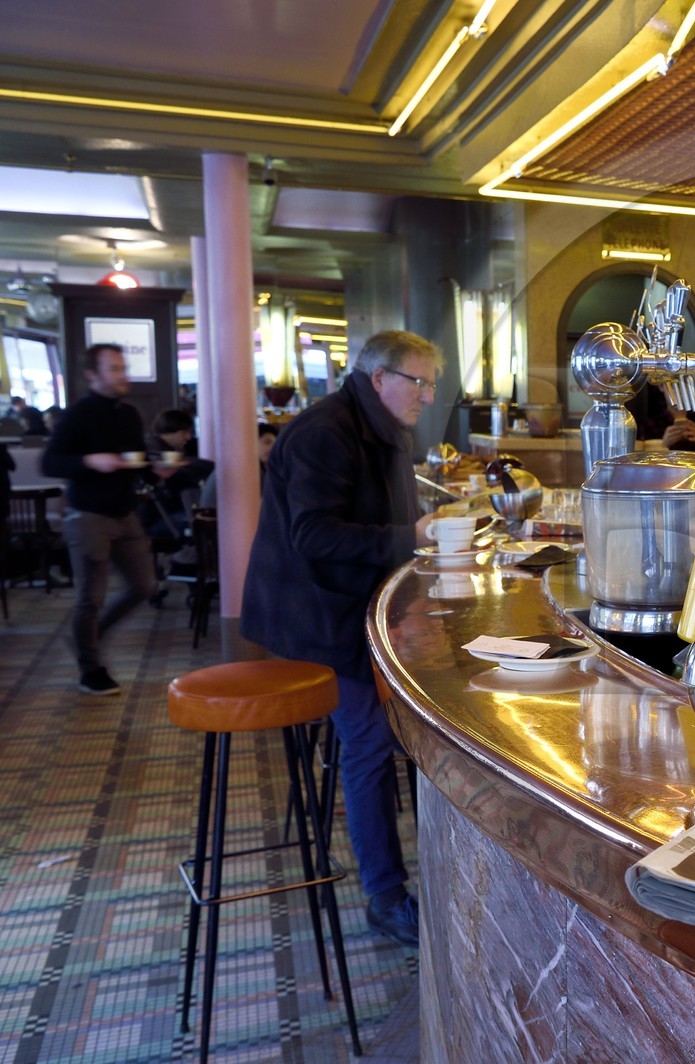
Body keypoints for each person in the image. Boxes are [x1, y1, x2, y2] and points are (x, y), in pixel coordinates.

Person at [241, 330, 445, 948]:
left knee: (418, 717)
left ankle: (441, 868)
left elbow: (389, 518)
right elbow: (314, 535)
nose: (427, 396)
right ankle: (384, 896)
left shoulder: (380, 425)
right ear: (379, 377)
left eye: (432, 385)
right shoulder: (324, 432)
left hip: (357, 605)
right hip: (314, 614)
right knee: (370, 739)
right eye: (419, 382)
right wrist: (414, 537)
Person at [41, 344, 168, 696]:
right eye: (113, 369)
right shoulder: (78, 415)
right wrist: (89, 461)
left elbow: (135, 461)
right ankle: (91, 668)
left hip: (125, 513)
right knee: (90, 599)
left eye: (122, 367)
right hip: (88, 516)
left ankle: (89, 639)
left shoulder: (129, 414)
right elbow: (49, 463)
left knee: (144, 587)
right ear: (92, 375)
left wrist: (157, 472)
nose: (122, 375)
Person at [140, 409, 214, 541]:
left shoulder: (159, 449)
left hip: (159, 515)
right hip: (158, 518)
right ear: (169, 431)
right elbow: (199, 468)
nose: (188, 437)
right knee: (205, 524)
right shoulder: (157, 454)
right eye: (184, 432)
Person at [626, 383, 695, 452]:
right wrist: (663, 444)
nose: (678, 392)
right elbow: (643, 462)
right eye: (673, 386)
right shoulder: (650, 424)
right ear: (661, 387)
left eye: (683, 386)